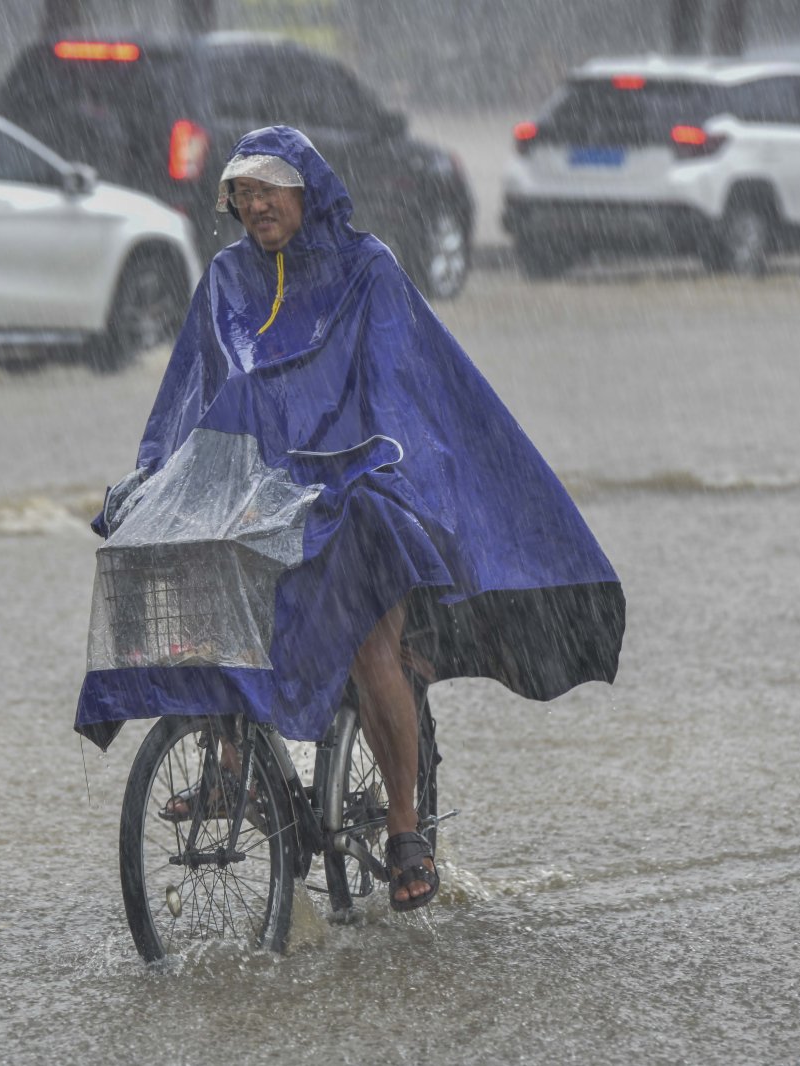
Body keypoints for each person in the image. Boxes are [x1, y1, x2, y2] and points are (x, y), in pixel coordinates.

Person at [77, 126, 624, 913]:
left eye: (271, 187)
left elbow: (405, 389)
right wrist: (162, 474)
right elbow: (191, 396)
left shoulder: (368, 271)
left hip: (350, 486)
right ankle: (227, 760)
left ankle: (404, 827)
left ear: (310, 194)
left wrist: (362, 463)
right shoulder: (227, 279)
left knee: (374, 649)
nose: (256, 202)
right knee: (185, 561)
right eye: (243, 190)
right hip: (258, 490)